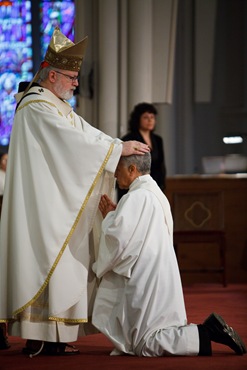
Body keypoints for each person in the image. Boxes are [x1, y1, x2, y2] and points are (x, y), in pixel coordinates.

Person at [0, 27, 149, 357]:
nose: (76, 82)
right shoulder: (37, 107)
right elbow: (73, 144)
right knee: (47, 261)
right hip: (44, 206)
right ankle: (41, 337)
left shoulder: (55, 105)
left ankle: (54, 337)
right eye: (71, 76)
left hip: (55, 200)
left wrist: (116, 146)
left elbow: (87, 134)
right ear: (52, 75)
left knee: (64, 265)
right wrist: (116, 151)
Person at [92, 153, 246, 357]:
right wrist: (118, 214)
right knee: (155, 330)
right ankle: (204, 332)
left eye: (119, 168)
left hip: (145, 275)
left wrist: (110, 217)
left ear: (132, 169)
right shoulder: (154, 192)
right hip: (160, 270)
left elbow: (118, 241)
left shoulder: (137, 197)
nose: (115, 174)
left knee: (145, 344)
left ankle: (206, 332)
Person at [118, 102, 166, 200]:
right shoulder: (129, 139)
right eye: (146, 117)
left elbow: (161, 165)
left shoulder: (158, 139)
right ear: (138, 119)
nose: (150, 120)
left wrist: (162, 185)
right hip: (134, 186)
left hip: (155, 185)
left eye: (152, 117)